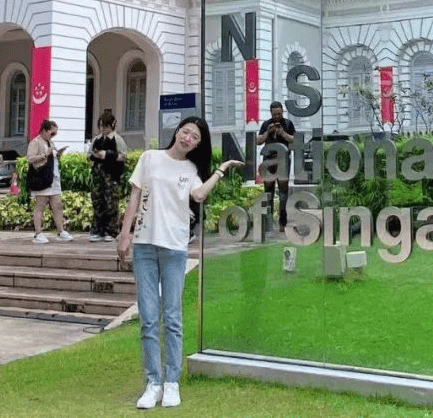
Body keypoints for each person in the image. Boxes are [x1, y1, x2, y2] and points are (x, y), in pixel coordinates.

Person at [116, 116, 243, 410]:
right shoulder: (150, 158)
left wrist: (221, 170)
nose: (188, 138)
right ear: (177, 132)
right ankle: (153, 383)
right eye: (186, 132)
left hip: (174, 249)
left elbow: (198, 194)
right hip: (145, 247)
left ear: (198, 144)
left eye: (195, 137)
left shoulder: (191, 170)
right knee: (148, 319)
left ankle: (171, 382)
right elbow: (135, 197)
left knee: (171, 318)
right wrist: (126, 234)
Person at [26, 119, 72, 244]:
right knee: (40, 205)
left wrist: (57, 154)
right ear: (45, 131)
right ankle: (38, 233)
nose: (53, 136)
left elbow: (51, 157)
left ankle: (61, 231)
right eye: (52, 133)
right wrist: (45, 154)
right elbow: (30, 158)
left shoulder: (50, 142)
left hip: (53, 177)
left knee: (58, 206)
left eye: (55, 134)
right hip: (42, 178)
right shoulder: (36, 142)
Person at [256, 101, 295, 233]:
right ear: (271, 113)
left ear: (282, 111)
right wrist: (268, 132)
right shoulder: (266, 124)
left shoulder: (288, 124)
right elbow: (258, 141)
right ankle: (268, 223)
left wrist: (282, 133)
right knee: (268, 192)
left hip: (283, 161)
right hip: (268, 161)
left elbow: (294, 140)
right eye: (275, 114)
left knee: (283, 193)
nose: (277, 116)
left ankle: (282, 222)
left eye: (279, 113)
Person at [89, 110, 127, 242]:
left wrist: (107, 154)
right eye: (101, 126)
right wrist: (95, 155)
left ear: (112, 125)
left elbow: (122, 156)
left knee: (111, 203)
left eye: (106, 126)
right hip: (98, 176)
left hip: (112, 175)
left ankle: (110, 231)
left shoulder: (117, 140)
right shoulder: (97, 140)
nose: (103, 129)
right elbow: (90, 154)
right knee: (98, 202)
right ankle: (97, 230)